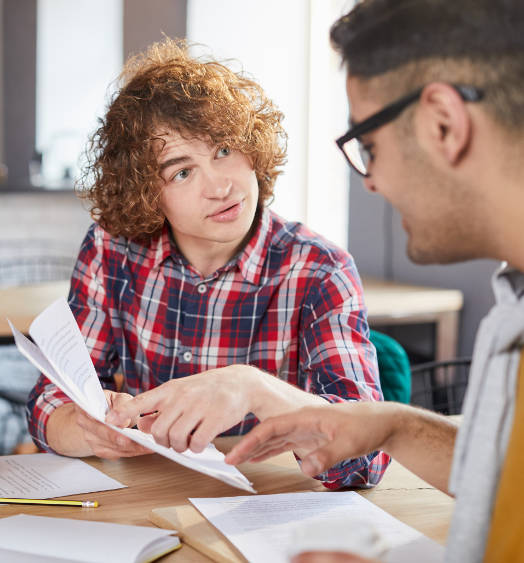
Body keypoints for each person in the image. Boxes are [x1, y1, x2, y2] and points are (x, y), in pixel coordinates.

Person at [225, 0, 524, 561]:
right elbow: (507, 486)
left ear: (443, 122)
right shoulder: (514, 298)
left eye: (369, 147)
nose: (371, 182)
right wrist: (389, 425)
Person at [26, 38, 389, 489]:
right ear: (145, 193)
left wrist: (253, 388)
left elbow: (366, 460)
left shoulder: (319, 269)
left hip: (268, 512)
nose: (219, 187)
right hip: (150, 496)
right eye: (182, 172)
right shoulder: (113, 249)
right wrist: (86, 429)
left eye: (224, 150)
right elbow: (49, 398)